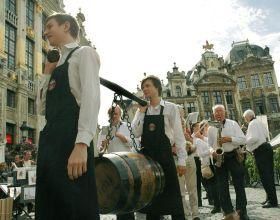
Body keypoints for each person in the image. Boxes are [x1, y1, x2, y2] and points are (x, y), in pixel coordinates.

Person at [36, 13, 100, 220]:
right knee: (49, 208)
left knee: (75, 207)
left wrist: (82, 144)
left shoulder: (84, 53)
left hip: (71, 141)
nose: (45, 32)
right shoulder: (55, 64)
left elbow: (91, 99)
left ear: (66, 26)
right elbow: (41, 108)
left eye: (49, 26)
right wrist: (47, 72)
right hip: (49, 143)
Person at [132, 75, 187, 220]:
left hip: (165, 157)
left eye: (148, 86)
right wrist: (142, 113)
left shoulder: (170, 107)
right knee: (152, 201)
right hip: (148, 160)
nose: (144, 89)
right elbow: (135, 132)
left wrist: (182, 160)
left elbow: (179, 136)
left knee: (174, 199)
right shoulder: (142, 110)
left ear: (157, 87)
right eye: (143, 87)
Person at [208, 105, 249, 220]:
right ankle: (228, 212)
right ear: (213, 114)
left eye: (220, 111)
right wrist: (212, 151)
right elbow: (208, 145)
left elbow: (243, 139)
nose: (218, 114)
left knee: (239, 185)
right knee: (222, 187)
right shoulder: (211, 128)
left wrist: (230, 139)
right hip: (219, 158)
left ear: (224, 112)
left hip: (233, 156)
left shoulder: (233, 123)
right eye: (216, 112)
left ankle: (241, 212)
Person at [98, 105, 137, 220]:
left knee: (129, 194)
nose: (113, 116)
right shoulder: (105, 129)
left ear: (120, 114)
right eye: (111, 114)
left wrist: (120, 136)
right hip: (113, 166)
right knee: (117, 195)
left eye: (116, 114)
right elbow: (99, 149)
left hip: (127, 164)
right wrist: (103, 145)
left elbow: (135, 144)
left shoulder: (127, 127)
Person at [243, 109, 278, 208]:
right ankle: (270, 198)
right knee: (268, 176)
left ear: (247, 117)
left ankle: (272, 201)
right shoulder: (259, 122)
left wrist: (245, 141)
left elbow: (254, 138)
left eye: (245, 118)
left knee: (266, 176)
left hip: (261, 150)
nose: (245, 120)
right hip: (266, 148)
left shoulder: (252, 124)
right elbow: (266, 134)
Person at [193, 121, 221, 214]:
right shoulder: (198, 140)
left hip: (214, 162)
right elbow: (200, 154)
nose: (208, 128)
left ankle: (220, 204)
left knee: (218, 185)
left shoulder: (208, 138)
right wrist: (210, 152)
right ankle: (216, 205)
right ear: (202, 129)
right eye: (206, 127)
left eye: (208, 126)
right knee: (212, 186)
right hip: (207, 164)